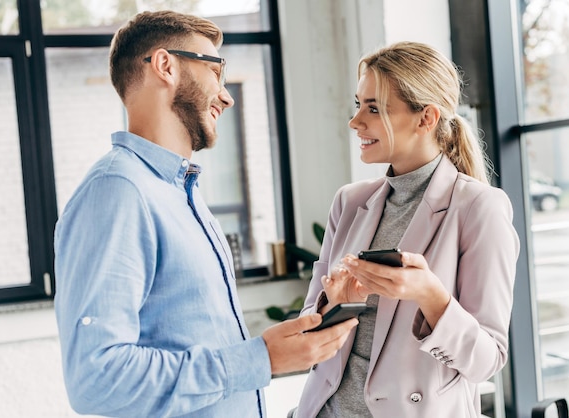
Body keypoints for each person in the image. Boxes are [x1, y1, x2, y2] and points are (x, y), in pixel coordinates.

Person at [53, 10, 358, 418]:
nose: (227, 96)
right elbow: (97, 379)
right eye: (216, 70)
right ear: (166, 65)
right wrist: (260, 360)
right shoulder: (117, 192)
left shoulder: (182, 194)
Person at [292, 42, 520, 417]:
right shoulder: (349, 202)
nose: (355, 122)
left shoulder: (479, 208)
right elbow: (309, 335)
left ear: (425, 118)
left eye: (374, 109)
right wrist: (333, 303)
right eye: (357, 104)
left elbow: (486, 360)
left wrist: (432, 297)